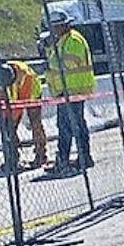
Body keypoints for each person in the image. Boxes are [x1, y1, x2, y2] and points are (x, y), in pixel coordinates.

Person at [43, 9, 95, 174]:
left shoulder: (72, 40)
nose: (54, 31)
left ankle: (72, 159)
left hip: (73, 90)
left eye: (56, 27)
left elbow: (68, 64)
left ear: (63, 25)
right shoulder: (62, 41)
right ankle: (77, 158)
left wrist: (50, 56)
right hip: (65, 91)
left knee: (71, 126)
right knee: (69, 125)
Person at [0, 59, 48, 171]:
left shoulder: (25, 77)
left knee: (35, 123)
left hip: (32, 92)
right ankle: (12, 157)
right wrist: (6, 121)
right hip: (15, 92)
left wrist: (12, 123)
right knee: (7, 126)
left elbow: (19, 105)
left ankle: (40, 155)